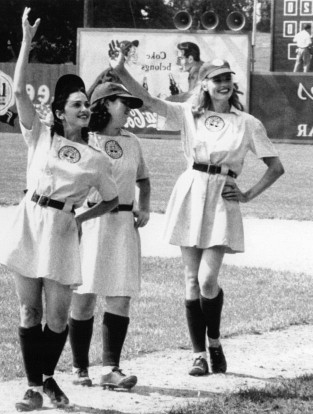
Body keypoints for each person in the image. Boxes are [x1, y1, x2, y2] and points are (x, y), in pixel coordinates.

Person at [109, 45, 285, 377]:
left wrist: (246, 195)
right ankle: (199, 354)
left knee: (207, 280)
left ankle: (215, 341)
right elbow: (149, 100)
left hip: (222, 196)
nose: (223, 85)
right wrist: (121, 71)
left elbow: (276, 167)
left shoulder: (247, 122)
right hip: (191, 190)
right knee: (190, 279)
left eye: (227, 79)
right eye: (216, 79)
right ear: (204, 83)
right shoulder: (189, 113)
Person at [0, 8, 118, 411]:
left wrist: (81, 217)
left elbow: (111, 199)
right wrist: (26, 42)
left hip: (62, 225)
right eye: (76, 103)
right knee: (29, 309)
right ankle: (35, 385)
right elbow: (19, 91)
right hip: (29, 220)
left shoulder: (96, 158)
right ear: (60, 111)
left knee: (57, 317)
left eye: (86, 104)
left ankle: (46, 377)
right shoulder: (39, 135)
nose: (83, 108)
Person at [69, 81, 150, 390]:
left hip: (123, 225)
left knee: (120, 296)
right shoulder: (84, 139)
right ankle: (79, 368)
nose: (128, 108)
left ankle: (110, 368)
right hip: (90, 222)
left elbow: (144, 179)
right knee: (84, 298)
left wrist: (145, 205)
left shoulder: (131, 141)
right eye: (122, 102)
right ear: (104, 105)